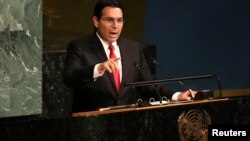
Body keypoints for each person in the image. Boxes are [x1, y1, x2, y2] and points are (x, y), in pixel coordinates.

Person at [63, 0, 196, 112]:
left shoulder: (133, 48)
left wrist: (177, 96)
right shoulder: (80, 47)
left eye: (119, 20)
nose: (115, 26)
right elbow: (69, 77)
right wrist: (98, 68)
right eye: (109, 20)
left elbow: (147, 84)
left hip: (126, 124)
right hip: (91, 126)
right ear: (96, 21)